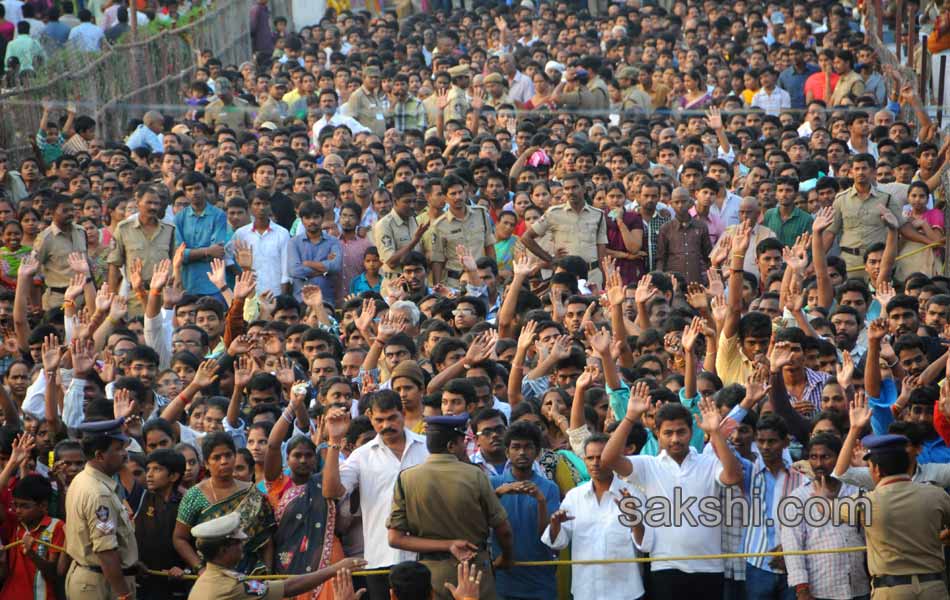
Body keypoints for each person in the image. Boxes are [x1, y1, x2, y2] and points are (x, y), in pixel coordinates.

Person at [387, 413, 515, 600]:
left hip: (431, 577)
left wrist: (448, 545)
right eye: (462, 441)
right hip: (474, 574)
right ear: (451, 446)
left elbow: (395, 539)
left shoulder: (407, 478)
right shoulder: (475, 475)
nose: (465, 446)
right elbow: (504, 531)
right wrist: (507, 558)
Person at [843, 434, 950, 600]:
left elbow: (826, 507)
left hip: (892, 591)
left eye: (869, 466)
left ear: (877, 469)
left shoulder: (866, 503)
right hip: (933, 588)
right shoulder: (936, 494)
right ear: (908, 464)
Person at [541, 433, 647, 600]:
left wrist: (633, 517)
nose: (595, 463)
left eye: (601, 457)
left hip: (627, 591)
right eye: (590, 458)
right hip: (586, 590)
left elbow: (644, 544)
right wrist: (555, 524)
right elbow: (558, 542)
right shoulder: (574, 497)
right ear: (584, 460)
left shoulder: (632, 494)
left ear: (612, 459)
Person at [186, 511, 366, 599]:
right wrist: (334, 569)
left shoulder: (207, 581)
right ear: (223, 550)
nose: (243, 545)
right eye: (237, 542)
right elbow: (288, 588)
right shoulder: (230, 587)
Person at [174, 432, 277, 576]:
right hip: (211, 575)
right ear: (206, 463)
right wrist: (199, 568)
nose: (224, 461)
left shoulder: (253, 493)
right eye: (216, 457)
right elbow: (179, 538)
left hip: (251, 575)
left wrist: (268, 575)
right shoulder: (194, 495)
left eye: (228, 455)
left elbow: (266, 541)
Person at [64, 417, 139, 600]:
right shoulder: (98, 493)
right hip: (101, 584)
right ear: (99, 455)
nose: (125, 454)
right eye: (118, 449)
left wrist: (131, 562)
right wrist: (124, 594)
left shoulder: (83, 479)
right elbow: (105, 552)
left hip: (91, 577)